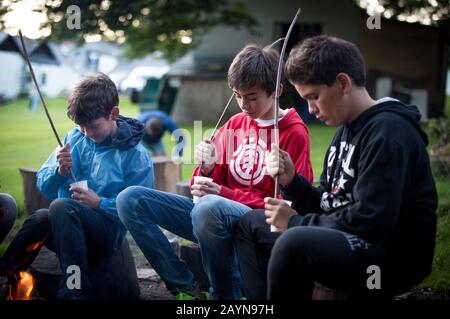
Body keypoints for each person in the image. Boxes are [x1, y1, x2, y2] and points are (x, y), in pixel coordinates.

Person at [234, 35, 438, 300]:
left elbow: (371, 219)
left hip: (388, 256)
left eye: (314, 97)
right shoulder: (344, 131)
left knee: (292, 243)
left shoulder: (388, 133)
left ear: (343, 83)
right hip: (350, 237)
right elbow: (331, 202)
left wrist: (296, 222)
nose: (311, 110)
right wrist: (293, 182)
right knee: (250, 222)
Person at [117, 44, 313, 299]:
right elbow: (204, 189)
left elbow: (292, 205)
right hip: (209, 218)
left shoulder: (293, 132)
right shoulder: (235, 123)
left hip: (253, 225)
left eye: (252, 96)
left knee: (210, 207)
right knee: (130, 199)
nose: (244, 104)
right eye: (237, 95)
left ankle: (225, 297)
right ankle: (184, 286)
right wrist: (206, 169)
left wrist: (222, 194)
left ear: (276, 90)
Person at [0, 73, 153, 299]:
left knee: (62, 207)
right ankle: (9, 275)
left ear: (114, 114)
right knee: (41, 217)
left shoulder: (136, 155)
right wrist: (59, 171)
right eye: (80, 126)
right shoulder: (75, 137)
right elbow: (45, 186)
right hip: (67, 227)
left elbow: (142, 209)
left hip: (106, 234)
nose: (86, 133)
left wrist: (99, 203)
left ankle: (73, 290)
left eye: (92, 125)